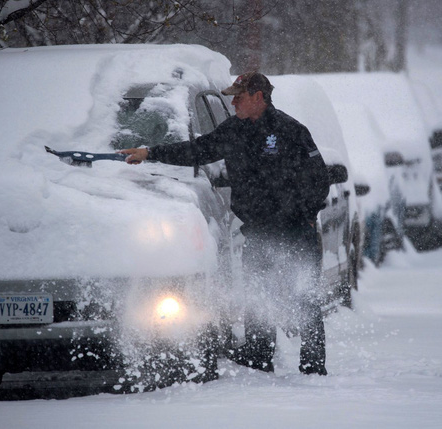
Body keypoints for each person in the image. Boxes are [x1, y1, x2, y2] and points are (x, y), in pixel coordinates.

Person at [120, 72, 331, 375]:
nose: (233, 103)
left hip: (296, 231)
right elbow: (198, 150)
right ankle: (259, 360)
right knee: (260, 295)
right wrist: (151, 153)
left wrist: (304, 215)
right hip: (258, 231)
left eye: (239, 97)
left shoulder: (291, 130)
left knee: (303, 297)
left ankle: (313, 368)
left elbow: (319, 180)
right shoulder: (234, 130)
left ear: (259, 97)